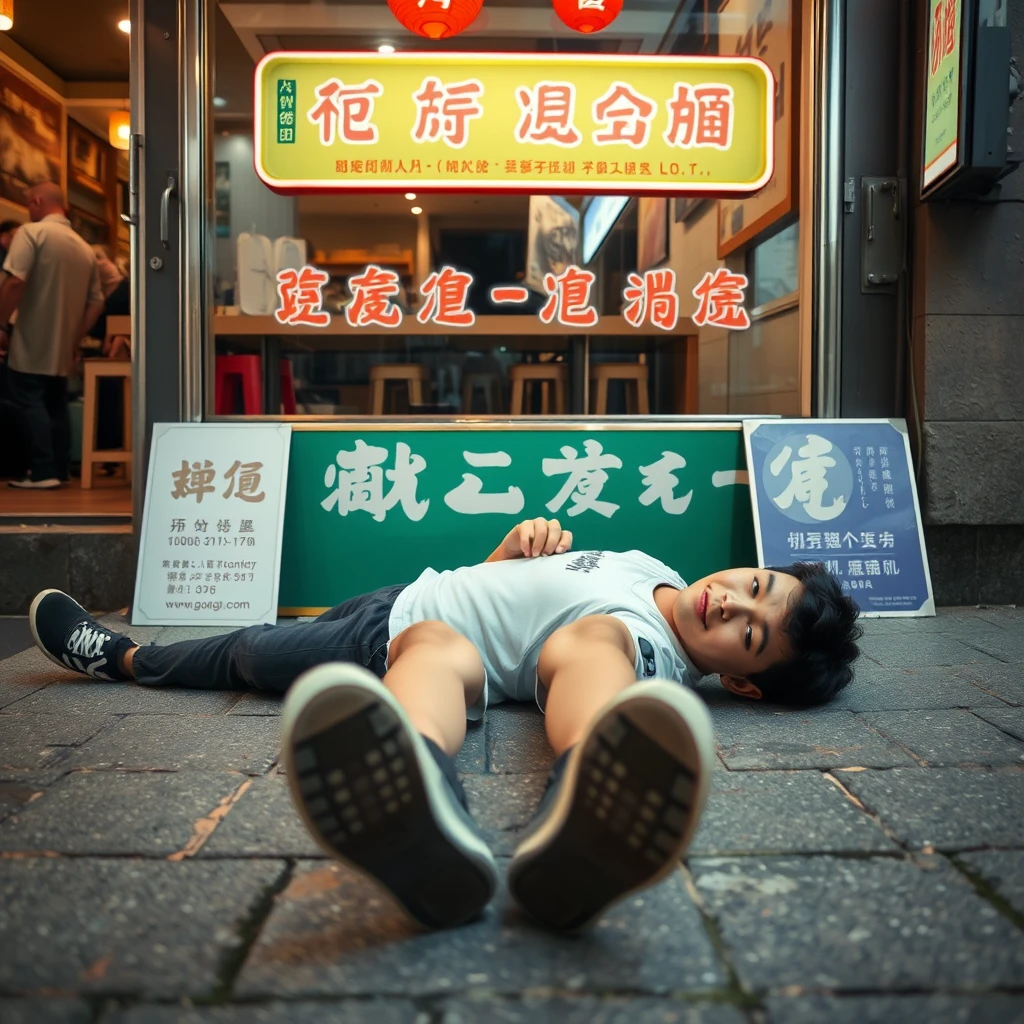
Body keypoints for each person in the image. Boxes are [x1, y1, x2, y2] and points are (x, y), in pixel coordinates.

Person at [29, 518, 861, 932]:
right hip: (415, 602)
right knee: (293, 646)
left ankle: (571, 792)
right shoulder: (652, 569)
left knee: (577, 648)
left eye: (748, 632)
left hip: (413, 635)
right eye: (755, 581)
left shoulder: (651, 648)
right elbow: (516, 600)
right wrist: (514, 551)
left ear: (745, 686)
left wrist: (610, 705)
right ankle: (421, 787)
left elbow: (573, 649)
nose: (733, 600)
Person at [0, 183, 104, 488]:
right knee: (55, 401)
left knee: (29, 400)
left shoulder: (31, 234)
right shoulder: (84, 248)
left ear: (36, 201)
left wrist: (1, 324)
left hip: (31, 336)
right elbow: (97, 302)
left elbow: (15, 282)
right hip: (63, 341)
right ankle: (60, 469)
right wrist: (74, 337)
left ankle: (43, 471)